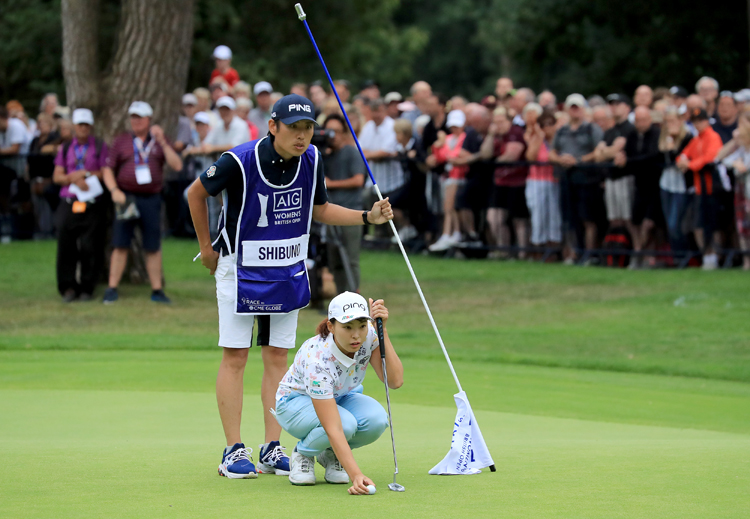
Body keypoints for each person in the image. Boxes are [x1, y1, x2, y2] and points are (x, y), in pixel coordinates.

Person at [185, 94, 393, 480]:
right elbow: (196, 193)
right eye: (294, 128)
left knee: (277, 358)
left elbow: (321, 209)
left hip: (287, 269)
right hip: (240, 268)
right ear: (273, 126)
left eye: (308, 128)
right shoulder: (238, 160)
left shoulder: (312, 159)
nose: (302, 136)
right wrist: (207, 248)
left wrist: (367, 217)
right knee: (236, 356)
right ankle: (233, 450)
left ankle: (271, 446)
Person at [275, 292, 402, 492]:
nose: (356, 335)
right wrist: (356, 475)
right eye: (347, 327)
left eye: (362, 325)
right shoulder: (317, 358)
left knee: (377, 419)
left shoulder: (369, 335)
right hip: (295, 404)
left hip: (340, 397)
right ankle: (303, 452)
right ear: (331, 326)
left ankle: (330, 454)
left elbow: (395, 381)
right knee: (345, 424)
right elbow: (334, 427)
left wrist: (382, 330)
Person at [101, 101, 183, 303]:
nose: (135, 121)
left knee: (152, 245)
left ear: (149, 119)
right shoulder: (121, 141)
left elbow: (177, 165)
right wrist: (114, 190)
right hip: (126, 197)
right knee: (120, 243)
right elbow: (107, 168)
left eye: (140, 117)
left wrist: (163, 141)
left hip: (151, 199)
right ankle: (112, 288)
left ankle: (157, 290)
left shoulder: (158, 141)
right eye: (133, 117)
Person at [52, 109, 108, 302]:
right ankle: (67, 286)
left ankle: (87, 287)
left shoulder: (99, 146)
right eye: (80, 125)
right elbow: (57, 176)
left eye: (86, 125)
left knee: (90, 245)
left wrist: (85, 173)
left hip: (92, 201)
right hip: (70, 200)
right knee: (66, 244)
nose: (83, 128)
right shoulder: (66, 148)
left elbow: (105, 172)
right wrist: (72, 178)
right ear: (74, 127)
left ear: (90, 126)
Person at [549, 94, 604, 261]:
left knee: (587, 218)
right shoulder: (562, 130)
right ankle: (576, 253)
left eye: (577, 108)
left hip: (587, 179)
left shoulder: (591, 129)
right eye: (571, 108)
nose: (575, 111)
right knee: (570, 219)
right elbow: (552, 152)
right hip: (567, 178)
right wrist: (561, 160)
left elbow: (599, 150)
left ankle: (589, 253)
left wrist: (578, 160)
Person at [322, 114, 366, 293]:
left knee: (350, 259)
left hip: (352, 213)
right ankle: (342, 299)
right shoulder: (325, 156)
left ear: (343, 133)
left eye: (336, 132)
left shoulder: (351, 152)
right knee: (336, 262)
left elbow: (358, 180)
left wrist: (331, 184)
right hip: (331, 214)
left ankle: (355, 297)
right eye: (329, 132)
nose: (333, 136)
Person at [677, 108, 723, 269]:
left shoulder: (713, 136)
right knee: (698, 224)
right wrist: (683, 161)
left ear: (706, 121)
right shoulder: (697, 139)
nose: (698, 124)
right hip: (699, 189)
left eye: (701, 120)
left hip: (712, 188)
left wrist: (689, 165)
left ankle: (715, 255)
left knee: (713, 224)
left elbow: (710, 157)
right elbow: (683, 154)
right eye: (695, 121)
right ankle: (706, 254)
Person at [480, 106, 529, 258]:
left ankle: (522, 253)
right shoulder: (496, 136)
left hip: (517, 182)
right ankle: (504, 250)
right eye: (495, 122)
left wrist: (494, 161)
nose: (498, 125)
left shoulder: (515, 133)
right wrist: (490, 136)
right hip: (500, 182)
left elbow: (511, 155)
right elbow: (485, 154)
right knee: (493, 217)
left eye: (501, 122)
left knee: (519, 220)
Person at [620, 106, 663, 268]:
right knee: (634, 220)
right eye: (638, 120)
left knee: (649, 223)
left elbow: (651, 156)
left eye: (644, 120)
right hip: (639, 184)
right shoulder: (631, 135)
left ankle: (644, 253)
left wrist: (630, 162)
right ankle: (638, 250)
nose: (641, 123)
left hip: (654, 184)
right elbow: (627, 155)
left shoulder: (656, 134)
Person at [428, 109, 468, 251]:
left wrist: (447, 153)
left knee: (450, 206)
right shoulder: (449, 139)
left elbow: (457, 155)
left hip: (459, 176)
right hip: (449, 175)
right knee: (450, 207)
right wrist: (437, 146)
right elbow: (441, 157)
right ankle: (453, 232)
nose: (454, 129)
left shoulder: (465, 137)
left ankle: (449, 233)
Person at [525, 109, 562, 254]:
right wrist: (539, 137)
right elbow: (530, 157)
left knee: (554, 215)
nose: (548, 127)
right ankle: (538, 247)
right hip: (537, 181)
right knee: (538, 215)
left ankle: (553, 247)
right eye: (544, 125)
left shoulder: (559, 140)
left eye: (551, 124)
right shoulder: (536, 139)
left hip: (553, 181)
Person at [716, 111, 750, 269]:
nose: (739, 128)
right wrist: (734, 141)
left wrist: (741, 165)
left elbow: (744, 167)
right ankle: (746, 261)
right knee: (742, 225)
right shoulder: (741, 148)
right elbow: (719, 157)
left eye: (742, 124)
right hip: (742, 189)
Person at [658, 107, 694, 256]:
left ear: (680, 121)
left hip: (681, 185)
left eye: (673, 121)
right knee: (668, 223)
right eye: (667, 122)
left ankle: (685, 255)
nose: (670, 124)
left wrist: (673, 149)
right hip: (666, 183)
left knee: (675, 223)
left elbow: (681, 161)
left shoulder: (688, 137)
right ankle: (676, 257)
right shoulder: (663, 138)